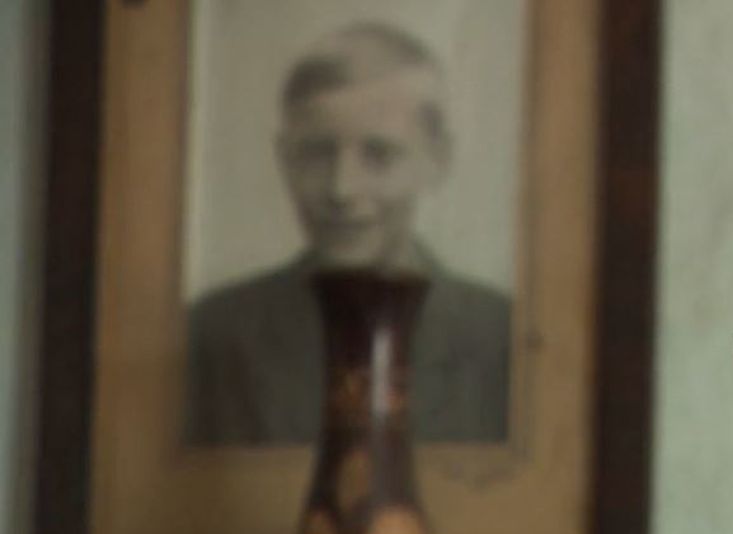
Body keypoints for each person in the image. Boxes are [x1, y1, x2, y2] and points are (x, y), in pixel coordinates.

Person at [185, 22, 511, 446]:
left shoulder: (500, 336)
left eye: (379, 155)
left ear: (437, 160)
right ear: (284, 161)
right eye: (316, 154)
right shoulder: (215, 335)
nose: (342, 188)